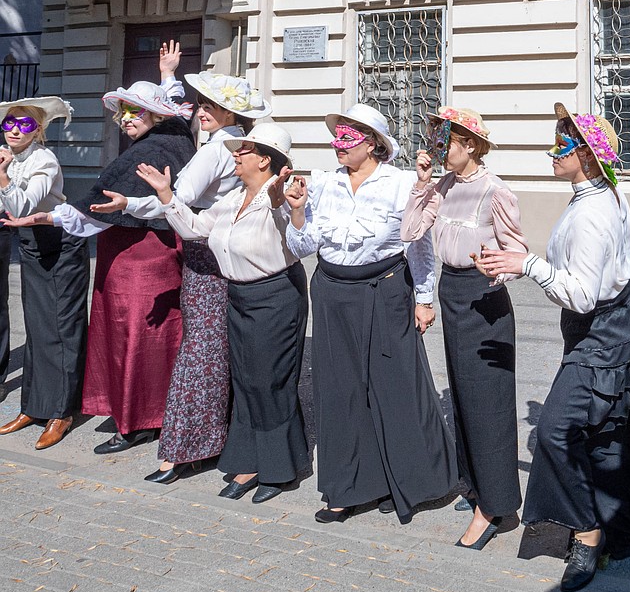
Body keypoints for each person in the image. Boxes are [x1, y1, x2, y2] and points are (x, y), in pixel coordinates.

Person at [477, 103, 630, 592]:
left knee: (556, 432)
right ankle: (626, 529)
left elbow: (581, 295)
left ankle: (588, 533)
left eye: (562, 144)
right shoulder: (598, 194)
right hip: (615, 322)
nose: (552, 151)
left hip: (605, 332)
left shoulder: (592, 214)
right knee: (608, 435)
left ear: (584, 154)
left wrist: (528, 266)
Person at [92, 71, 271, 483]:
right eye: (201, 104)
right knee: (217, 348)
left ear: (231, 112)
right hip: (223, 249)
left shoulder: (216, 150)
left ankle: (186, 448)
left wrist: (132, 203)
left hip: (206, 254)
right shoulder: (232, 143)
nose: (202, 111)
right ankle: (214, 439)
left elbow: (179, 198)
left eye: (212, 106)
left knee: (202, 352)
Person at [283, 103, 454, 524]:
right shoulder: (323, 185)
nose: (336, 145)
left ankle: (409, 482)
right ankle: (345, 489)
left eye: (346, 137)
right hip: (331, 292)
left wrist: (424, 297)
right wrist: (298, 210)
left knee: (394, 385)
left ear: (373, 144)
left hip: (387, 290)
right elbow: (303, 248)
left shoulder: (399, 184)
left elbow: (419, 245)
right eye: (335, 136)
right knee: (338, 389)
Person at [6, 79, 197, 453]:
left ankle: (134, 421)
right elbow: (178, 116)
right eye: (122, 111)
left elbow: (94, 207)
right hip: (137, 251)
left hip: (139, 257)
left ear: (156, 115)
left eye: (135, 111)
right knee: (130, 334)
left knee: (132, 334)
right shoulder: (172, 136)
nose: (125, 118)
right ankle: (132, 414)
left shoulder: (153, 147)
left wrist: (52, 218)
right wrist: (169, 77)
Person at [137, 122, 307, 504]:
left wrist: (283, 199)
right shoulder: (231, 201)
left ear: (264, 160)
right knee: (247, 380)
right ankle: (249, 460)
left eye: (243, 150)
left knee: (271, 380)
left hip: (276, 296)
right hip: (239, 296)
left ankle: (278, 469)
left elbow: (290, 223)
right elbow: (195, 229)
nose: (235, 154)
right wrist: (167, 195)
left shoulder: (278, 197)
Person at [402, 106, 526, 549]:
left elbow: (517, 251)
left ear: (469, 144)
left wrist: (495, 268)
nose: (438, 147)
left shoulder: (495, 190)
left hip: (485, 296)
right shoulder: (442, 186)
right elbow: (411, 231)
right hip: (453, 292)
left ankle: (494, 506)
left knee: (488, 400)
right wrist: (421, 184)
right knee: (464, 396)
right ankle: (474, 483)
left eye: (445, 141)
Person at [0, 97, 87, 448]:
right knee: (36, 325)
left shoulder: (44, 159)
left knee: (62, 327)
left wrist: (2, 175)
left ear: (38, 130)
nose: (15, 131)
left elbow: (21, 205)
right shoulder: (11, 157)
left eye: (24, 125)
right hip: (33, 242)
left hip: (60, 242)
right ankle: (34, 407)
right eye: (9, 124)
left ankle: (62, 412)